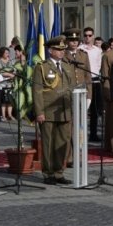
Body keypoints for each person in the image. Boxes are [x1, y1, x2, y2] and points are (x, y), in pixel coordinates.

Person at [33, 37, 75, 183]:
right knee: (48, 143)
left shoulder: (68, 66)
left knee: (63, 142)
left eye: (63, 49)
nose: (62, 52)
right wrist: (39, 112)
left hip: (64, 110)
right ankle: (48, 173)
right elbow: (37, 91)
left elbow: (72, 88)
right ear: (50, 50)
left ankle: (59, 172)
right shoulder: (42, 67)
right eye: (58, 49)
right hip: (48, 111)